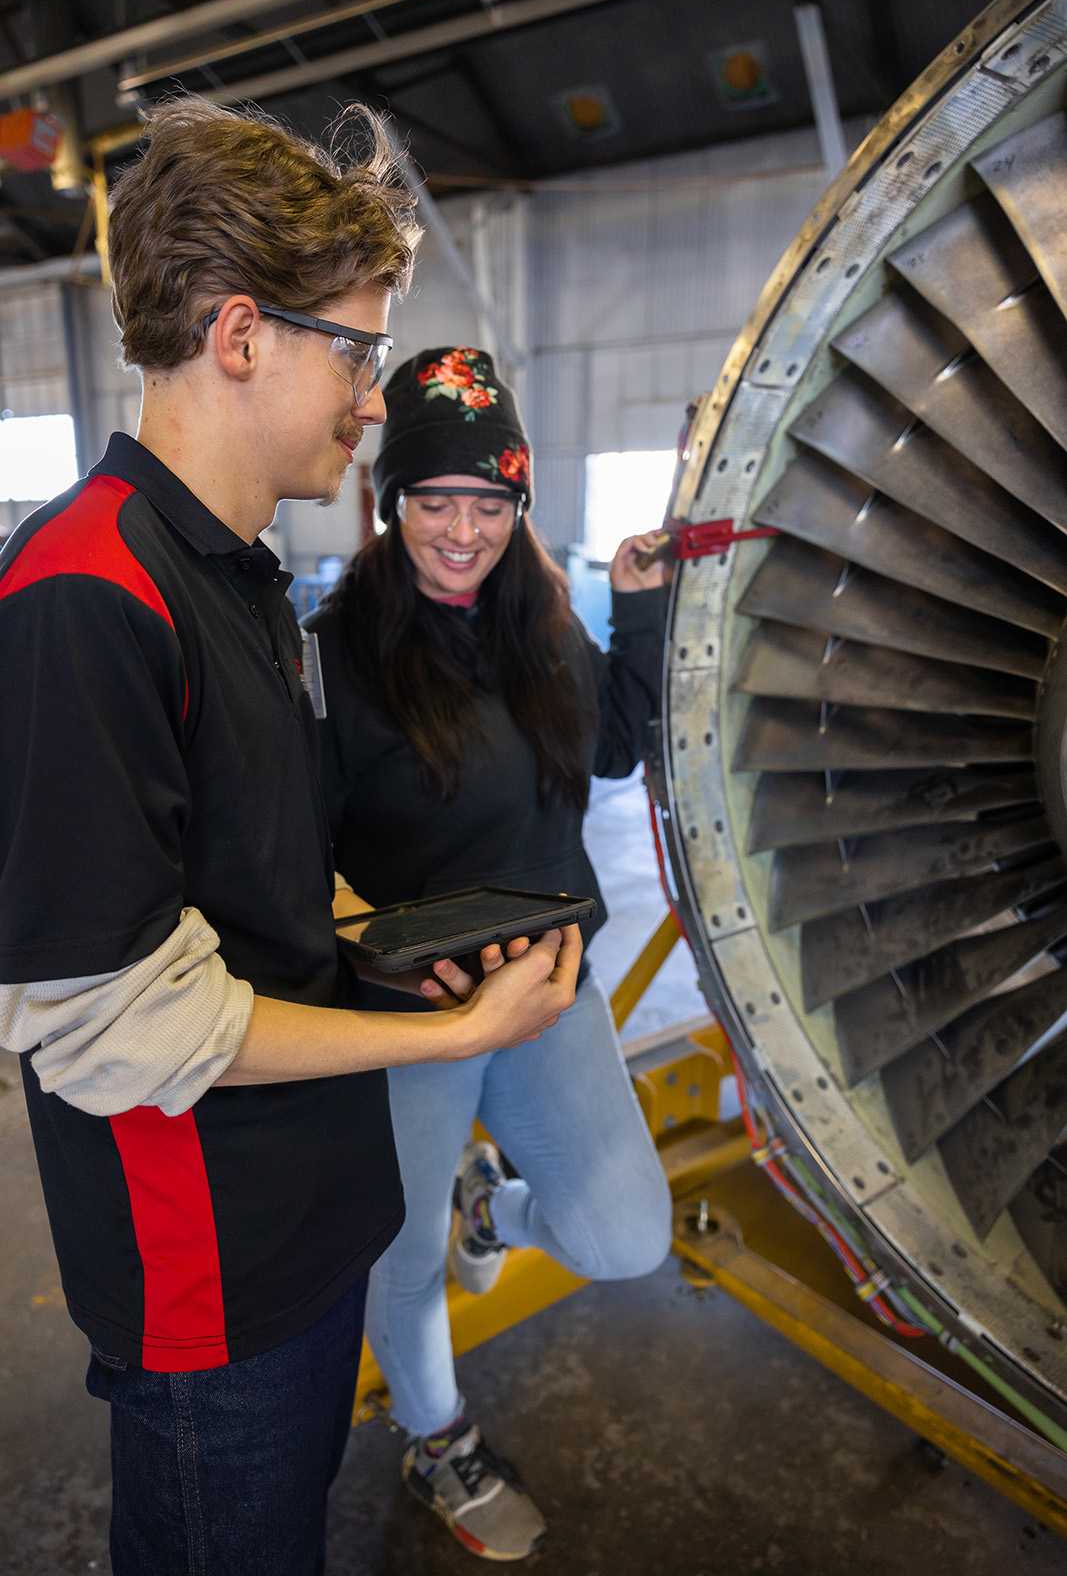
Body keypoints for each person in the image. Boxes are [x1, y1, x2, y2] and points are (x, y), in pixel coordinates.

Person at [0, 104, 581, 1576]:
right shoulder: (85, 593)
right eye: (358, 351)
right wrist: (445, 1046)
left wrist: (385, 956)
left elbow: (246, 869)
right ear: (244, 337)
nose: (374, 401)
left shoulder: (237, 578)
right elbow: (105, 1023)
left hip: (305, 1231)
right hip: (215, 1287)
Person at [305, 346, 674, 1562]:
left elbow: (613, 754)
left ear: (519, 509)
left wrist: (638, 606)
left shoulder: (539, 626)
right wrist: (373, 952)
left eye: (487, 503)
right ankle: (437, 1433)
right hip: (413, 1009)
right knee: (399, 1259)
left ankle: (492, 1203)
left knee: (625, 1236)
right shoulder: (336, 652)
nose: (460, 530)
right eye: (433, 501)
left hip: (548, 992)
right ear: (389, 502)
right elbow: (295, 855)